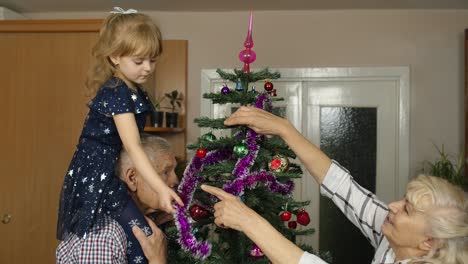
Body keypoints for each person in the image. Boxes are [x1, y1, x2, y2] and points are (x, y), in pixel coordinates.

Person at [202, 106, 468, 264]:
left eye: (407, 210)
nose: (394, 206)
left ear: (428, 242)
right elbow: (342, 186)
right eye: (403, 199)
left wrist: (247, 220)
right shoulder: (394, 240)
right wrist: (284, 129)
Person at [56, 8, 183, 264]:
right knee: (142, 235)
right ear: (114, 57)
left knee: (145, 231)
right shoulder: (117, 93)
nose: (148, 68)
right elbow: (134, 147)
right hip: (96, 175)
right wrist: (160, 189)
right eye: (139, 61)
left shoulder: (131, 90)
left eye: (152, 60)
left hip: (107, 172)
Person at [57, 135, 179, 264]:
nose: (176, 180)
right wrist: (157, 260)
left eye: (174, 170)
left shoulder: (148, 222)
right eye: (166, 172)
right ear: (132, 178)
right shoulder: (103, 237)